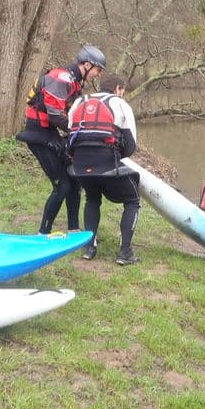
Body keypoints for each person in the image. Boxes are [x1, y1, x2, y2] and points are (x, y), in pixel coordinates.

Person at [16, 45, 106, 234]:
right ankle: (43, 233)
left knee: (74, 182)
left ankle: (73, 229)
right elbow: (56, 116)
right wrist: (80, 130)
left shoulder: (75, 81)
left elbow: (70, 115)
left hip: (50, 133)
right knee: (62, 185)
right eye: (98, 70)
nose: (98, 75)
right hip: (38, 134)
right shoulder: (61, 78)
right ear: (87, 65)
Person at [67, 73, 141, 265]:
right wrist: (117, 157)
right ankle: (125, 253)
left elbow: (70, 134)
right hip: (108, 161)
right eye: (122, 91)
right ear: (118, 89)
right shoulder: (120, 104)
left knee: (92, 198)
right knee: (132, 200)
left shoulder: (79, 102)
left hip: (80, 165)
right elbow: (131, 145)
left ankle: (89, 248)